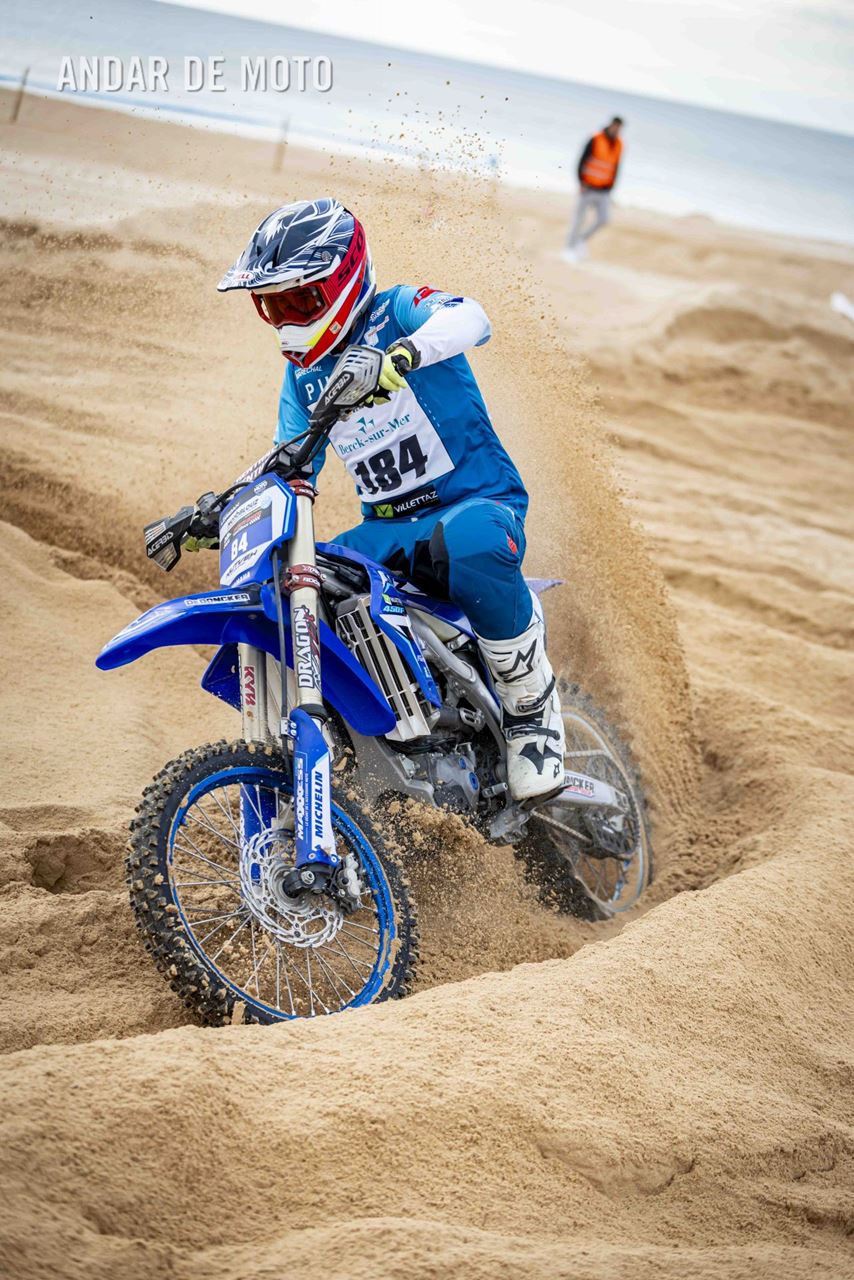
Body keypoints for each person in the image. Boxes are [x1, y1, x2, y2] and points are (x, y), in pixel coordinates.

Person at [217, 198, 566, 804]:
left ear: (343, 280)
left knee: (473, 542)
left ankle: (530, 706)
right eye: (271, 306)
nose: (286, 320)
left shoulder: (397, 312)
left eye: (299, 301)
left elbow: (472, 317)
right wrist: (214, 509)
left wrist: (399, 356)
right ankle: (364, 734)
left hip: (476, 504)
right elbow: (288, 464)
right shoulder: (302, 379)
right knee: (298, 578)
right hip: (388, 532)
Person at [562, 116, 624, 263]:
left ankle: (581, 240)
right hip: (588, 187)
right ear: (611, 125)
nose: (616, 129)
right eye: (615, 126)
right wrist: (581, 182)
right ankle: (569, 249)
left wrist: (611, 188)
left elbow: (615, 167)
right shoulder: (595, 138)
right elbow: (582, 160)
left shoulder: (619, 144)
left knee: (604, 219)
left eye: (619, 127)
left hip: (604, 190)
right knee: (578, 220)